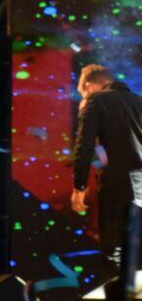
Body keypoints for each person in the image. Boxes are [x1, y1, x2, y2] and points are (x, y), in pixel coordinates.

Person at [71, 63, 142, 301]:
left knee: (114, 252)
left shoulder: (95, 101)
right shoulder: (139, 102)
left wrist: (80, 186)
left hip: (117, 187)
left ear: (89, 86)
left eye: (84, 93)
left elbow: (84, 146)